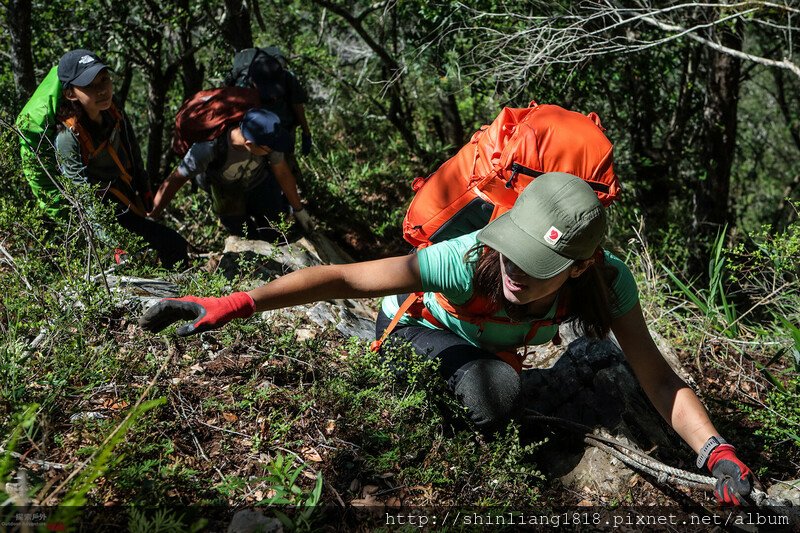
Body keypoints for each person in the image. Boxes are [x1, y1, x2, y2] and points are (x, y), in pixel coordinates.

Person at [139, 172, 754, 506]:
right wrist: (239, 301)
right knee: (497, 394)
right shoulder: (467, 259)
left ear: (583, 267)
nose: (511, 272)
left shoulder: (608, 283)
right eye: (510, 253)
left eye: (532, 268)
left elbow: (657, 375)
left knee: (550, 376)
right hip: (415, 326)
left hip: (487, 345)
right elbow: (349, 276)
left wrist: (717, 453)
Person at [53, 49, 189, 269]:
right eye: (90, 85)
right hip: (94, 221)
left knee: (174, 246)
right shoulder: (67, 137)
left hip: (122, 203)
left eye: (104, 79)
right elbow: (83, 197)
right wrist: (112, 243)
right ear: (71, 94)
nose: (102, 90)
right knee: (136, 261)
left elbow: (132, 149)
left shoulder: (112, 110)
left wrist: (143, 186)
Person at [149, 108, 314, 239]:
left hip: (259, 183)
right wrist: (151, 218)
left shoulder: (268, 140)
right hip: (226, 193)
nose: (274, 150)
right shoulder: (207, 149)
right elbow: (175, 180)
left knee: (275, 229)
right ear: (250, 144)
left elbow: (283, 173)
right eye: (269, 149)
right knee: (246, 237)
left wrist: (299, 210)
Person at [230, 48, 313, 159]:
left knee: (285, 161)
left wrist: (306, 132)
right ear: (254, 83)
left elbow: (297, 104)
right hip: (258, 137)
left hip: (284, 129)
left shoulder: (287, 78)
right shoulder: (243, 89)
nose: (273, 96)